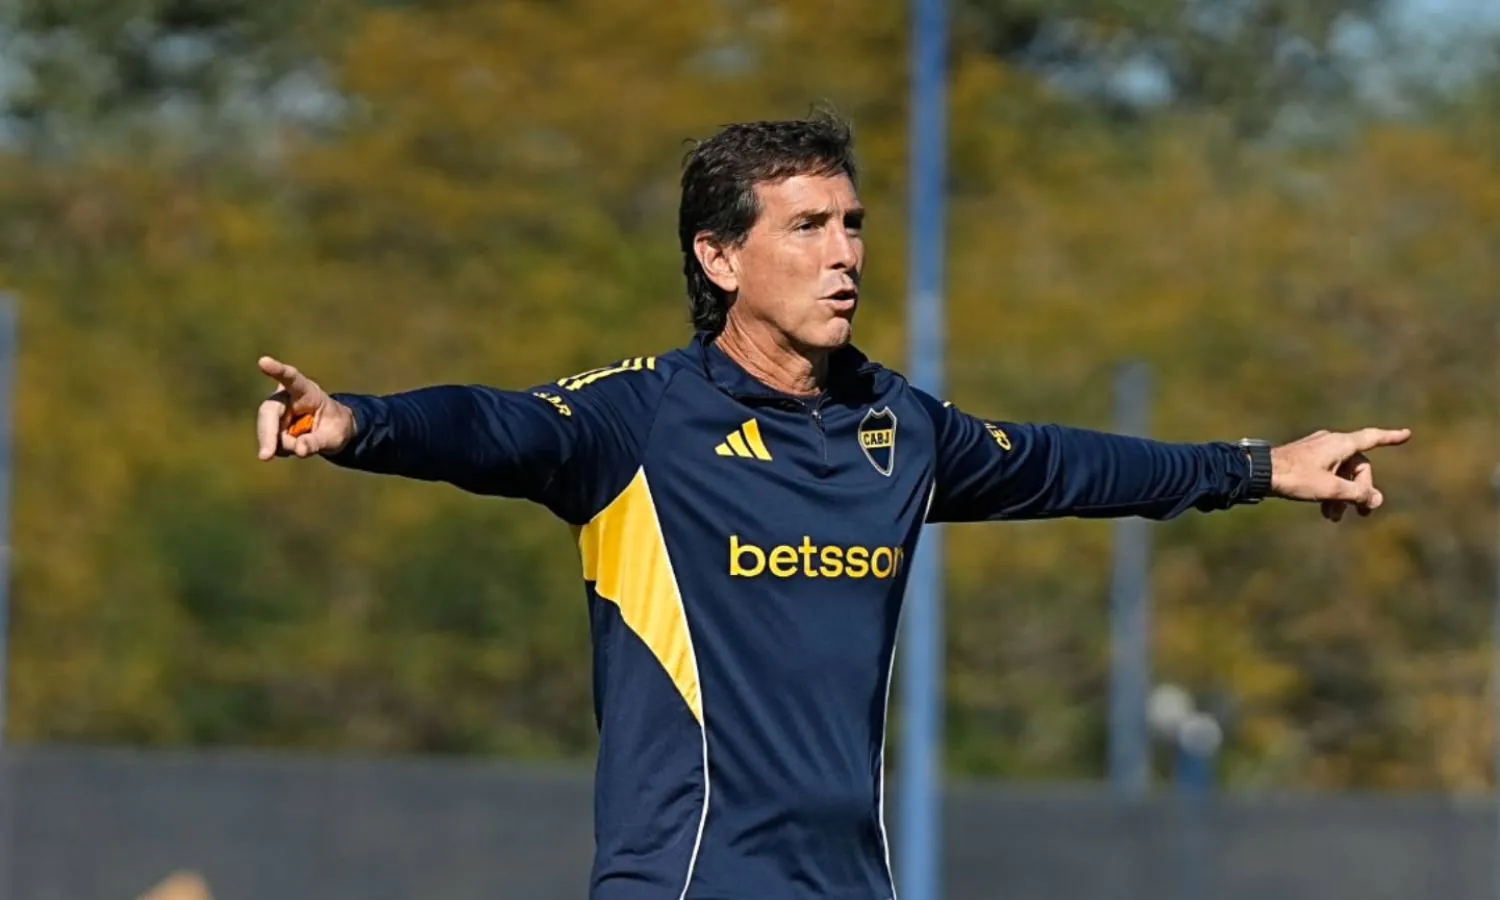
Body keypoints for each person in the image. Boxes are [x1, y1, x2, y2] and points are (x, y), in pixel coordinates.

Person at [253, 111, 1409, 900]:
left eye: (851, 223)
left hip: (852, 881)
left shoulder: (897, 428)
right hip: (687, 881)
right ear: (719, 258)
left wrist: (1261, 467)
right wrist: (357, 421)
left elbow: (1075, 465)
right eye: (806, 227)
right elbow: (494, 425)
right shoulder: (641, 421)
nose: (844, 253)